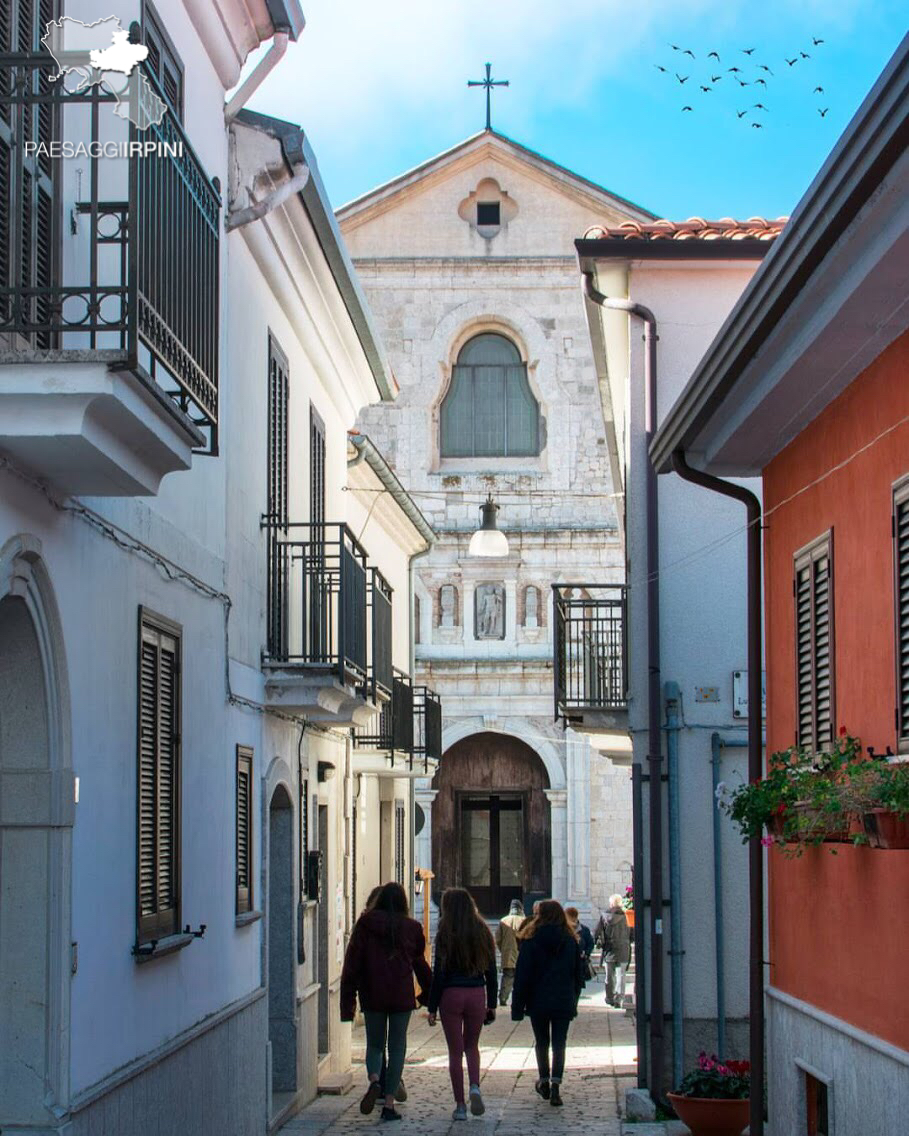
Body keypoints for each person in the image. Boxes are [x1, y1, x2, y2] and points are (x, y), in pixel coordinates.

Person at [340, 882, 432, 1122]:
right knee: (398, 1047)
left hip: (372, 995)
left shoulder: (365, 925)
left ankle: (374, 1081)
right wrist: (428, 996)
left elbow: (351, 966)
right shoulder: (411, 928)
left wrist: (347, 1005)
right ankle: (389, 1103)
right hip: (401, 995)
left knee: (375, 1045)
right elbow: (420, 966)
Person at [427, 888, 497, 1121]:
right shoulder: (483, 931)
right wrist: (493, 1003)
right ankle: (475, 1086)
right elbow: (491, 971)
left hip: (451, 995)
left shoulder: (444, 933)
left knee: (455, 1052)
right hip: (476, 993)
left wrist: (432, 1006)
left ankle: (459, 1106)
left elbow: (439, 973)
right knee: (472, 1046)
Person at [512, 899, 586, 1108]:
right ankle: (556, 1087)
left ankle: (544, 1081)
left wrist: (517, 1006)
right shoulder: (571, 940)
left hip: (538, 1001)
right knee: (560, 1043)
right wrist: (574, 998)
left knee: (542, 1042)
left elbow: (522, 975)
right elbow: (577, 974)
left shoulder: (531, 939)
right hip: (563, 999)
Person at [595, 894, 631, 1008]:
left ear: (611, 904)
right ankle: (619, 998)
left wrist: (598, 942)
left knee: (609, 975)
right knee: (621, 975)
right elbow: (632, 933)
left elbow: (597, 932)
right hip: (623, 948)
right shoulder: (626, 916)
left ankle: (609, 997)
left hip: (609, 948)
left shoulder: (604, 916)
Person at [494, 899, 524, 1006]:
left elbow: (497, 938)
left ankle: (503, 998)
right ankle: (519, 1001)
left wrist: (503, 949)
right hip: (522, 955)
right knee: (521, 980)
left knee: (507, 977)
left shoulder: (504, 920)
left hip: (508, 954)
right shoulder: (524, 920)